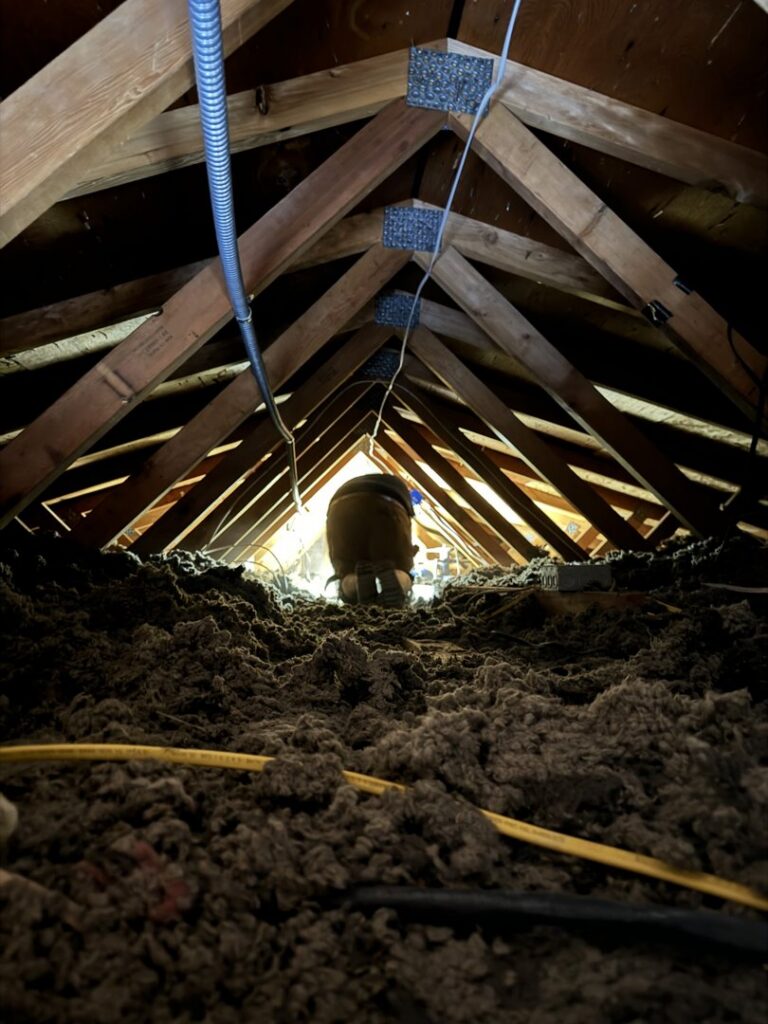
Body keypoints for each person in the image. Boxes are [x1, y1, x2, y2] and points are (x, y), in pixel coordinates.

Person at [325, 473, 418, 606]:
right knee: (401, 569)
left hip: (340, 509)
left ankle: (356, 584)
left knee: (347, 571)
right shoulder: (400, 487)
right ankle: (396, 580)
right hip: (389, 505)